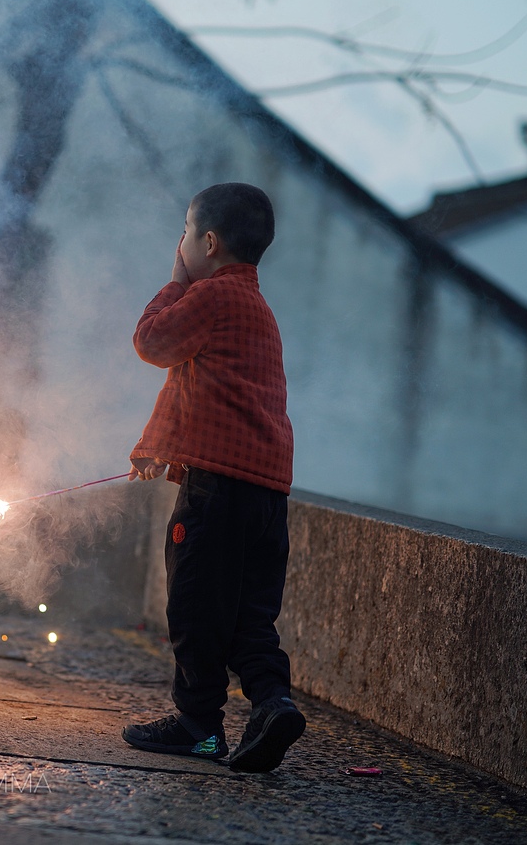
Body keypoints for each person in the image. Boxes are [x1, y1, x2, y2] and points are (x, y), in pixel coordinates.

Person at [122, 183, 304, 773]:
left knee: (197, 607)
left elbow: (153, 344)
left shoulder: (211, 297)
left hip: (216, 492)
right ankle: (273, 703)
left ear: (208, 241)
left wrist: (176, 280)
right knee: (250, 617)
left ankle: (200, 726)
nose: (178, 246)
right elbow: (198, 387)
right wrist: (158, 447)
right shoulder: (261, 309)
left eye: (183, 234)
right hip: (266, 494)